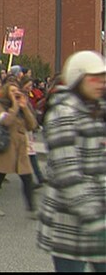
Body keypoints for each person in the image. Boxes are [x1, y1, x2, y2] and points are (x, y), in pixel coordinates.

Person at [37, 50, 106, 272]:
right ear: (78, 78)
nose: (100, 84)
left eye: (103, 79)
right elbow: (68, 174)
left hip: (98, 216)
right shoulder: (63, 114)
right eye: (94, 78)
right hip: (70, 223)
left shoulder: (95, 110)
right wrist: (96, 219)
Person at [0, 82, 38, 218]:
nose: (15, 93)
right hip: (5, 146)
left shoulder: (22, 107)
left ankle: (32, 208)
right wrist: (14, 106)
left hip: (20, 148)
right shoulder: (0, 105)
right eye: (12, 91)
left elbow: (32, 125)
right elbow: (6, 121)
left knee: (27, 177)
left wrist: (24, 107)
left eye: (17, 90)